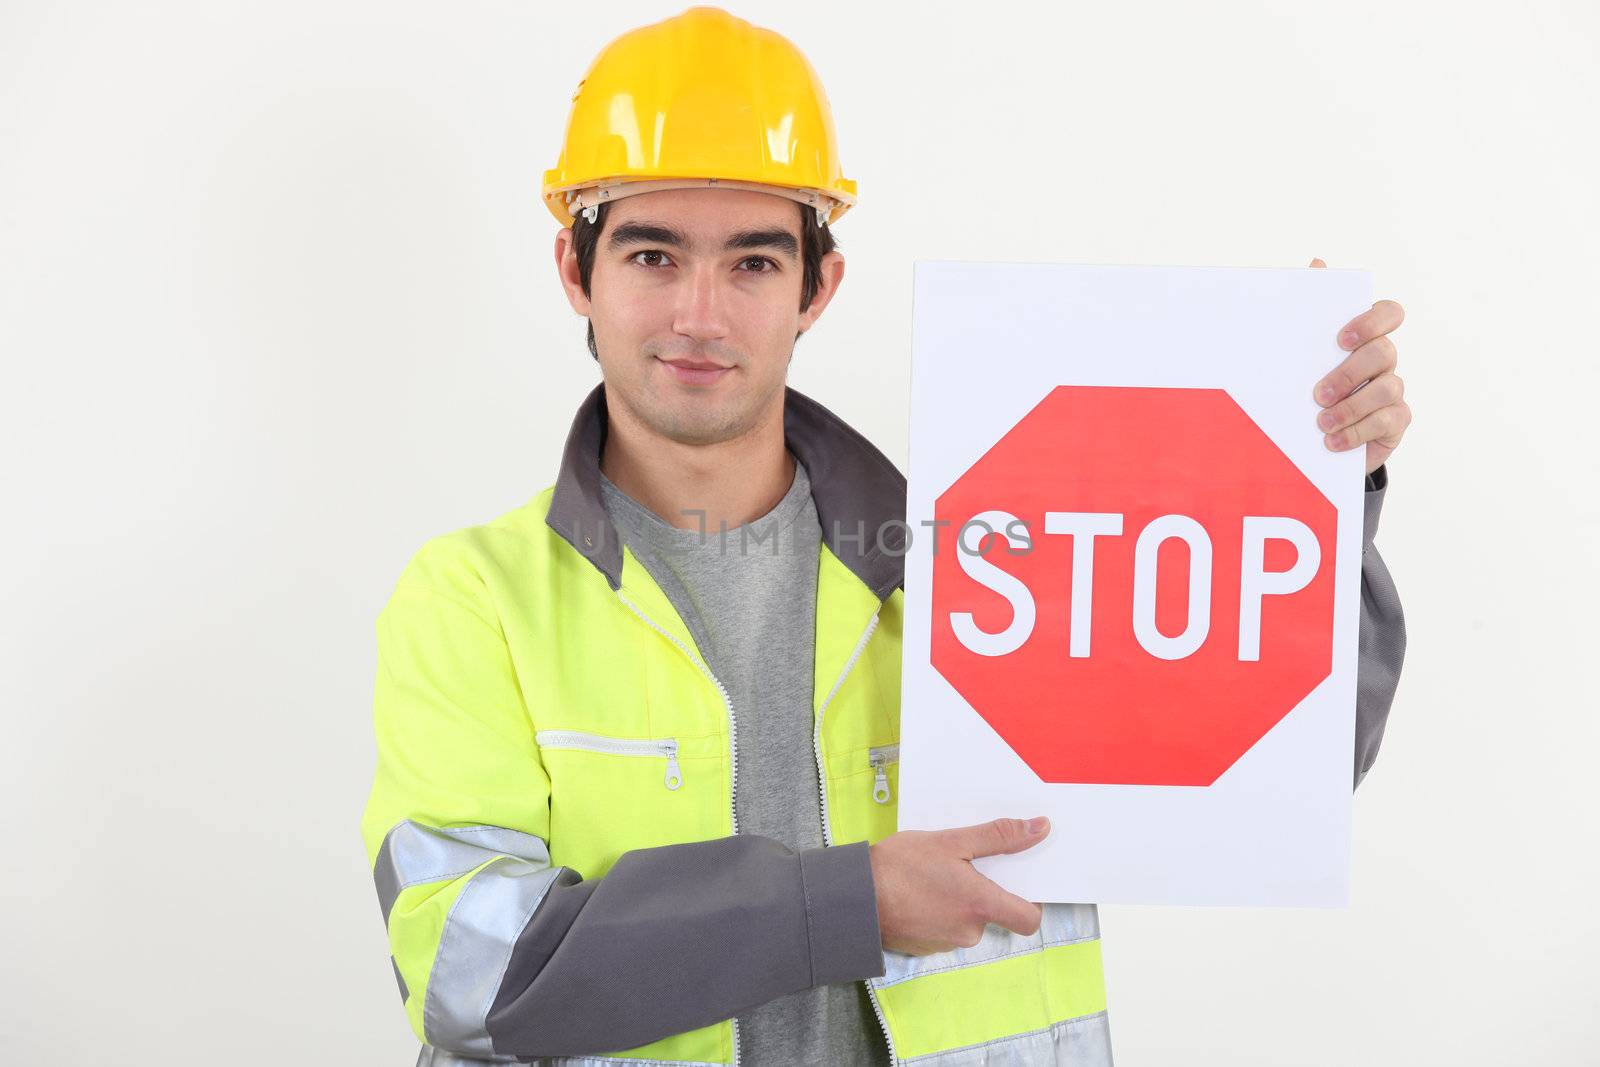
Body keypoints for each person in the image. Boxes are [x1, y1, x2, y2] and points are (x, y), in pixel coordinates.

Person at [359, 8, 1411, 1065]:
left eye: (754, 263)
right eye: (651, 254)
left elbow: (1280, 772)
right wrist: (841, 901)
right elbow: (472, 972)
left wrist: (1317, 479)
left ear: (818, 284)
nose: (699, 314)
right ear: (576, 270)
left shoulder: (993, 570)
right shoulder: (475, 598)